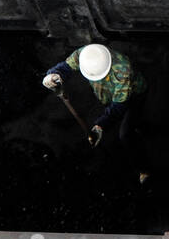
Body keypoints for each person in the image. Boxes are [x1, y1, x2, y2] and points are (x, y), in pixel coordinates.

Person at [42, 43, 149, 182]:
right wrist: (53, 74)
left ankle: (144, 169)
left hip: (134, 96)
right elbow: (66, 66)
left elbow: (119, 107)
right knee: (118, 121)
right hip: (108, 96)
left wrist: (100, 125)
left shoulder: (123, 72)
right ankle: (135, 127)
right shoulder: (87, 54)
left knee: (126, 133)